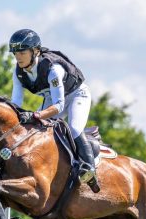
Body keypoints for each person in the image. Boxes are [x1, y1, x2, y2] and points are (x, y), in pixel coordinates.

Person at [8, 29, 99, 193]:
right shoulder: (18, 72)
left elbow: (59, 106)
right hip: (53, 98)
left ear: (35, 51)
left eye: (22, 52)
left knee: (74, 129)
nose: (18, 57)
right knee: (34, 130)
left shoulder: (52, 68)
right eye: (15, 53)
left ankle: (89, 168)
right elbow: (15, 103)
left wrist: (36, 114)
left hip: (77, 95)